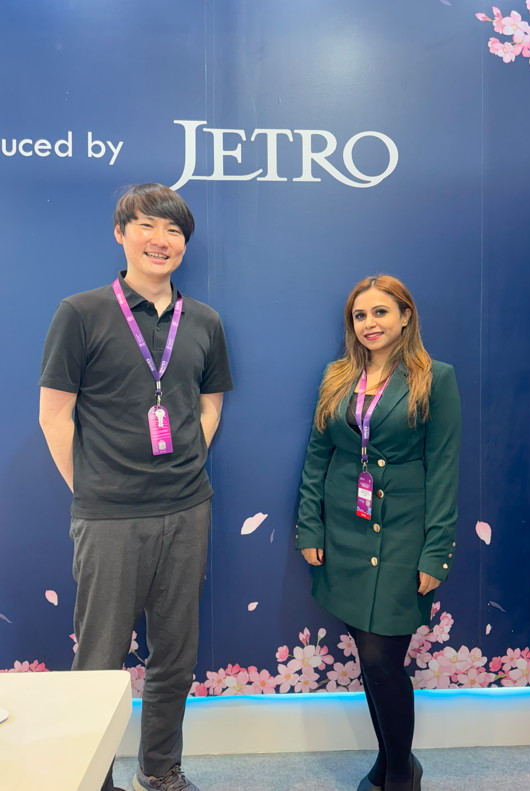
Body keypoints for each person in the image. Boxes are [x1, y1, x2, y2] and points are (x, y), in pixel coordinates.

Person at [38, 183, 233, 791]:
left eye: (174, 231)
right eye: (147, 225)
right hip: (109, 516)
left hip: (187, 508)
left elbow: (210, 402)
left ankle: (160, 769)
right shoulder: (81, 312)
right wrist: (94, 487)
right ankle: (92, 778)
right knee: (98, 660)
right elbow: (54, 414)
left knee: (175, 654)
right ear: (120, 234)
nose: (161, 240)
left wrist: (188, 460)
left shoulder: (204, 321)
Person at [296, 275, 461, 791]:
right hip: (345, 532)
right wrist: (309, 525)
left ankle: (400, 773)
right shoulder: (337, 376)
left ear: (405, 316)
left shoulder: (434, 378)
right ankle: (391, 761)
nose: (369, 323)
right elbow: (317, 456)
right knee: (369, 663)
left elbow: (445, 469)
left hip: (404, 536)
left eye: (381, 312)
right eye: (360, 315)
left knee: (380, 659)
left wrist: (436, 553)